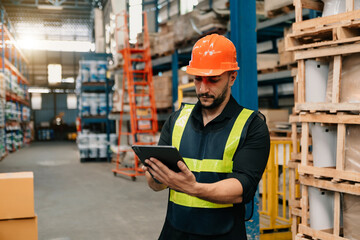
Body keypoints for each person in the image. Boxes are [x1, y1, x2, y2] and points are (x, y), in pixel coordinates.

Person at [143, 34, 270, 240]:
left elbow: (242, 187)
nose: (203, 89)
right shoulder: (177, 121)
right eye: (198, 79)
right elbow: (156, 183)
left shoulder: (252, 126)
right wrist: (157, 177)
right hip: (175, 232)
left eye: (213, 79)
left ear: (232, 77)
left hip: (224, 234)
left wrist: (192, 188)